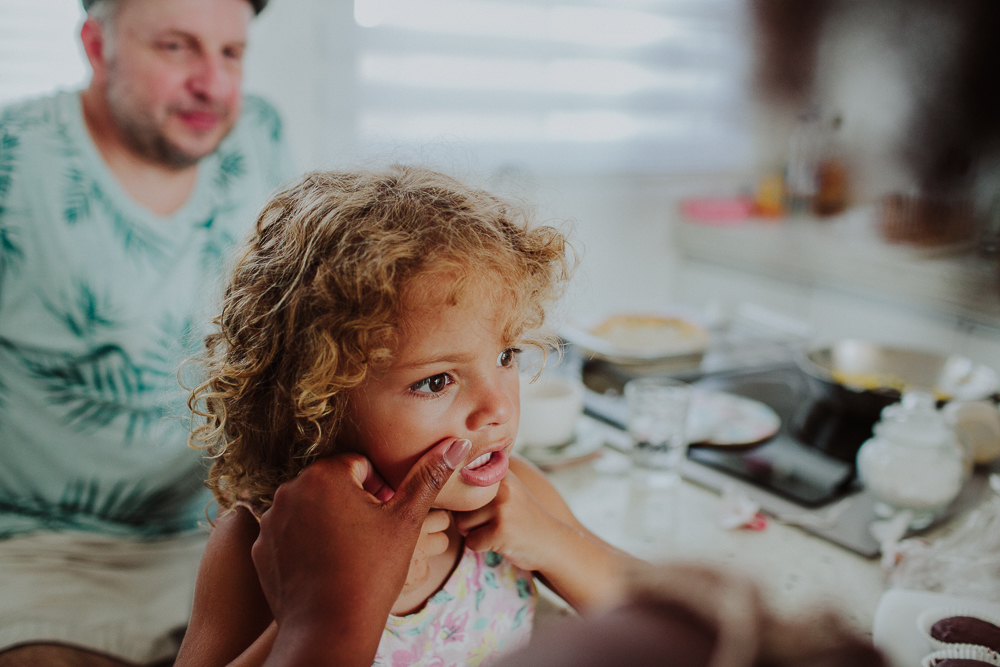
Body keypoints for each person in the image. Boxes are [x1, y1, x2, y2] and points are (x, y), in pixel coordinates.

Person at [176, 166, 644, 666]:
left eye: (506, 357)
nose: (500, 409)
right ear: (315, 399)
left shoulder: (519, 496)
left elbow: (666, 615)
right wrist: (337, 602)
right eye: (437, 381)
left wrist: (552, 543)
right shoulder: (263, 543)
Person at [0, 0, 293, 663]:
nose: (213, 86)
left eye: (231, 53)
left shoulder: (262, 135)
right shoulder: (13, 160)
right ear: (96, 46)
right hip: (49, 558)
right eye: (175, 47)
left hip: (236, 530)